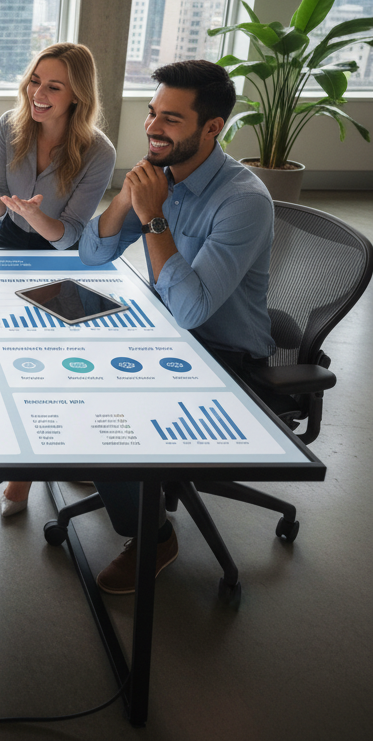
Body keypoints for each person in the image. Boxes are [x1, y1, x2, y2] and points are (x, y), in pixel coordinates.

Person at [79, 59, 276, 594]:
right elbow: (92, 256)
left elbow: (192, 313)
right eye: (151, 114)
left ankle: (153, 533)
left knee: (104, 407)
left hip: (222, 355)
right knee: (59, 364)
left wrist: (153, 218)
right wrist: (126, 199)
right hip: (161, 331)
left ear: (212, 128)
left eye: (170, 119)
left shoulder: (243, 201)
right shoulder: (159, 175)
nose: (151, 128)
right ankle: (119, 474)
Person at [0, 42, 116, 517]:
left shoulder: (98, 151)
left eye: (53, 86)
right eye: (34, 81)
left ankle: (24, 473)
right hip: (9, 243)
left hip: (58, 257)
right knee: (5, 353)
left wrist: (36, 215)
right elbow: (0, 201)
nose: (38, 93)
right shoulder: (11, 125)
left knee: (52, 361)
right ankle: (24, 454)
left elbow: (70, 237)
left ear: (77, 96)